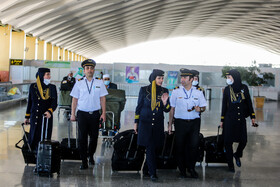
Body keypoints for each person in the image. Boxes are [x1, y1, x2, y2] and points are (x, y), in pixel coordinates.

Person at [168, 68, 207, 179]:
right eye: (182, 77)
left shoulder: (198, 92)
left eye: (185, 78)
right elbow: (172, 109)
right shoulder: (176, 91)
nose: (182, 79)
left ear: (191, 80)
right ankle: (182, 170)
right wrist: (170, 125)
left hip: (194, 123)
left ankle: (191, 168)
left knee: (194, 146)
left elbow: (204, 106)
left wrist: (200, 109)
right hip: (180, 123)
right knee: (180, 146)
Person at [70, 59, 108, 170]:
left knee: (94, 138)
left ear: (94, 70)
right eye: (87, 68)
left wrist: (103, 113)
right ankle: (83, 161)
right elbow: (74, 99)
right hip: (82, 114)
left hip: (95, 114)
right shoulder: (79, 82)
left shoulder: (99, 82)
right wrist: (73, 113)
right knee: (82, 138)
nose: (89, 70)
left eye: (91, 68)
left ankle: (90, 155)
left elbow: (103, 99)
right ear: (84, 70)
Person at [134, 69, 170, 181]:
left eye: (162, 78)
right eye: (159, 78)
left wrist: (165, 103)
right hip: (145, 123)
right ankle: (153, 173)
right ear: (153, 78)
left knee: (155, 148)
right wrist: (136, 122)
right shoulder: (144, 90)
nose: (161, 80)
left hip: (158, 124)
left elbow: (167, 110)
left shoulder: (164, 91)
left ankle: (145, 170)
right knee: (150, 148)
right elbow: (138, 107)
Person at [221, 69, 256, 172]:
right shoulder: (227, 89)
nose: (228, 79)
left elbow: (249, 102)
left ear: (235, 77)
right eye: (227, 78)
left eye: (229, 77)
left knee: (244, 141)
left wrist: (252, 116)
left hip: (241, 119)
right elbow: (224, 105)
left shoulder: (244, 88)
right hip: (229, 120)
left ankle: (237, 154)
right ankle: (230, 165)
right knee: (228, 142)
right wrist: (222, 119)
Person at [24, 68, 57, 150]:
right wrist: (27, 117)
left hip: (45, 116)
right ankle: (33, 154)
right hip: (34, 115)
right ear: (41, 75)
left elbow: (54, 103)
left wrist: (50, 111)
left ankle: (43, 154)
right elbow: (30, 103)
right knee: (33, 134)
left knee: (45, 135)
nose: (49, 76)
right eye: (47, 74)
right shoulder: (33, 87)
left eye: (49, 74)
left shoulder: (52, 87)